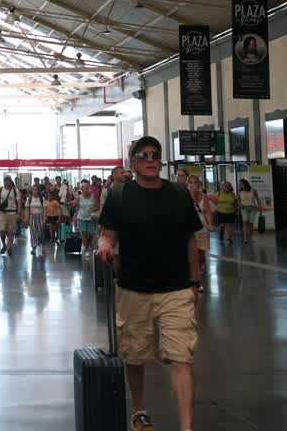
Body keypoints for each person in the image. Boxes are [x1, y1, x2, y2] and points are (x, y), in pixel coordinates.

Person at [97, 136, 204, 431]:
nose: (150, 159)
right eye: (143, 155)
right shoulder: (119, 195)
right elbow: (109, 233)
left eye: (155, 154)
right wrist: (104, 246)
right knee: (134, 355)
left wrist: (195, 283)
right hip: (134, 288)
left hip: (177, 288)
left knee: (182, 358)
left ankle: (187, 427)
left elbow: (190, 241)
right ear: (133, 162)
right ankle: (140, 409)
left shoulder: (179, 194)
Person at [0, 176, 21, 256]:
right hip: (2, 213)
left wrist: (18, 213)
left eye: (8, 180)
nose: (7, 182)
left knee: (11, 231)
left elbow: (19, 202)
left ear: (10, 181)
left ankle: (9, 246)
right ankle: (4, 244)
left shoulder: (15, 190)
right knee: (2, 231)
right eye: (5, 180)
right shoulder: (0, 190)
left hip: (12, 213)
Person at [77, 179, 98, 255]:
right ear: (81, 190)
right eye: (84, 188)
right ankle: (86, 249)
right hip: (81, 217)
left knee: (90, 234)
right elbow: (77, 207)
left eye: (87, 188)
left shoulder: (93, 196)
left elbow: (97, 206)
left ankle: (87, 245)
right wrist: (75, 217)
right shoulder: (79, 197)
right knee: (84, 233)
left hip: (90, 217)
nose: (86, 190)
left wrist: (93, 210)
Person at [238, 179, 260, 243]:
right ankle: (245, 239)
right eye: (240, 184)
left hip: (253, 208)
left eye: (241, 184)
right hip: (244, 208)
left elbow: (257, 199)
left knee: (251, 224)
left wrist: (260, 209)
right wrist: (240, 205)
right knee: (245, 223)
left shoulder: (253, 190)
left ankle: (250, 238)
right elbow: (238, 200)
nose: (240, 185)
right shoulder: (240, 192)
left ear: (245, 183)